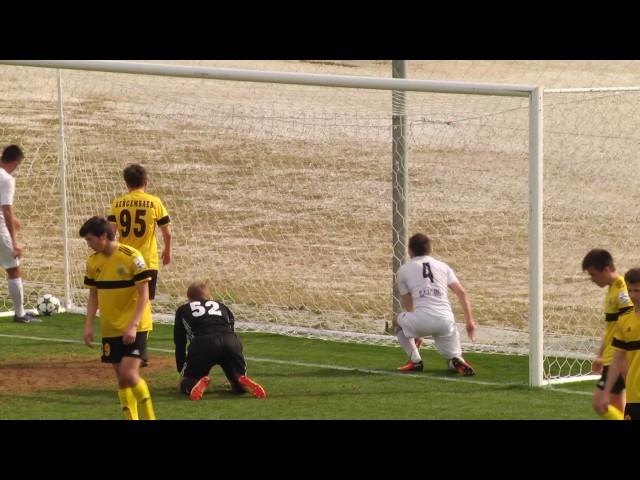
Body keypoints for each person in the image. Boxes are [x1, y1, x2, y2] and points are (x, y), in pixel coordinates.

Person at [80, 216, 156, 420]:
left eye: (90, 240)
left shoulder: (132, 257)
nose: (89, 245)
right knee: (122, 380)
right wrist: (88, 325)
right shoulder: (93, 262)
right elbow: (93, 296)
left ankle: (150, 417)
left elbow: (145, 295)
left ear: (104, 236)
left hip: (135, 325)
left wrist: (133, 325)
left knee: (129, 375)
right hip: (110, 327)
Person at [108, 163, 171, 366]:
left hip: (125, 261)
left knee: (127, 302)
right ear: (146, 182)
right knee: (144, 303)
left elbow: (110, 233)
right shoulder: (154, 202)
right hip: (147, 261)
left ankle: (126, 347)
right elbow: (167, 232)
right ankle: (139, 352)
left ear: (126, 183)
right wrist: (167, 251)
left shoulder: (118, 203)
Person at [393, 233, 476, 375]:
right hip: (445, 321)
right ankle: (456, 360)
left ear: (410, 250)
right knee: (452, 358)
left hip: (421, 320)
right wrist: (469, 322)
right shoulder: (443, 266)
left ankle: (415, 359)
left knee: (396, 321)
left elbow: (408, 302)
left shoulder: (403, 270)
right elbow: (461, 293)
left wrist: (415, 331)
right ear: (429, 249)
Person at [174, 281, 266, 401]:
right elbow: (231, 329)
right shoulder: (222, 306)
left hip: (203, 343)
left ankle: (193, 385)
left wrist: (182, 370)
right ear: (208, 297)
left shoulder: (183, 310)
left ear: (189, 298)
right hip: (231, 342)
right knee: (237, 378)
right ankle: (240, 382)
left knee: (185, 382)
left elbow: (180, 342)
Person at [582, 248, 632, 419]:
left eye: (593, 275)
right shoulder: (611, 289)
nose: (592, 280)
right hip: (611, 356)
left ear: (606, 269)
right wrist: (600, 355)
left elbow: (628, 329)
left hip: (618, 358)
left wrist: (624, 358)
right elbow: (612, 328)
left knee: (599, 403)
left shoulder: (622, 291)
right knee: (619, 405)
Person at [0, 145, 39, 323]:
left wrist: (13, 218)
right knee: (13, 269)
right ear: (16, 162)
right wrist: (14, 242)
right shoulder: (6, 179)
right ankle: (20, 314)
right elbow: (6, 210)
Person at [597, 267, 640, 420]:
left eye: (637, 291)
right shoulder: (624, 322)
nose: (633, 296)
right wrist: (606, 392)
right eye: (630, 291)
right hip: (635, 397)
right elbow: (617, 359)